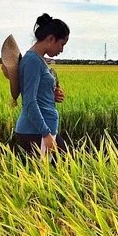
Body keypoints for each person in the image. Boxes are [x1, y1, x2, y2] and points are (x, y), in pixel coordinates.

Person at [9, 13, 70, 155]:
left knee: (64, 164)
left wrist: (51, 95)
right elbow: (29, 101)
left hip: (40, 131)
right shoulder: (33, 61)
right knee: (65, 164)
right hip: (35, 133)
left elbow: (38, 94)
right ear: (51, 39)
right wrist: (46, 133)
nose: (61, 50)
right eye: (61, 44)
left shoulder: (38, 59)